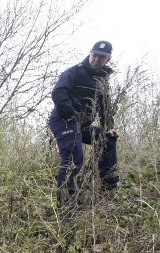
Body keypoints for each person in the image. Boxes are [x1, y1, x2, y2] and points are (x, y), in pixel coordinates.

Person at [48, 40, 120, 203]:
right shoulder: (74, 72)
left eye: (102, 57)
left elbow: (104, 106)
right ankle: (66, 201)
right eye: (94, 55)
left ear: (108, 59)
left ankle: (109, 186)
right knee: (74, 156)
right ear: (90, 53)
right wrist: (71, 114)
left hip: (82, 126)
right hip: (63, 120)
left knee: (107, 139)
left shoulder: (102, 80)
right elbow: (58, 93)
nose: (96, 60)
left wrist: (109, 127)